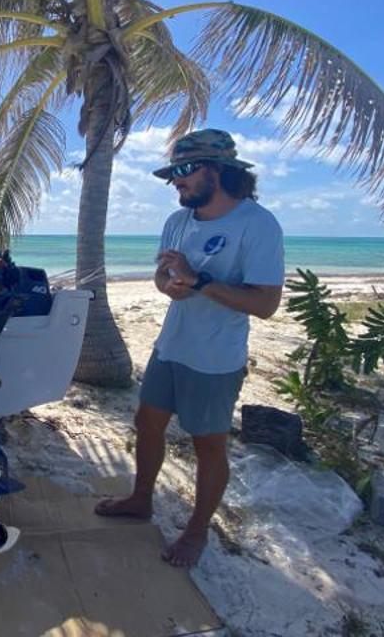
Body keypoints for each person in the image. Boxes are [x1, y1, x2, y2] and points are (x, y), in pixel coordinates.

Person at [94, 129, 285, 568]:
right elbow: (162, 278)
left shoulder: (257, 225)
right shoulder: (177, 221)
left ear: (217, 171)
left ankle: (197, 532)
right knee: (147, 423)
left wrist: (198, 281)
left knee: (208, 445)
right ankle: (141, 500)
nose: (175, 182)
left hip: (215, 360)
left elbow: (266, 304)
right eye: (172, 174)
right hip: (171, 345)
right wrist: (172, 287)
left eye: (183, 171)